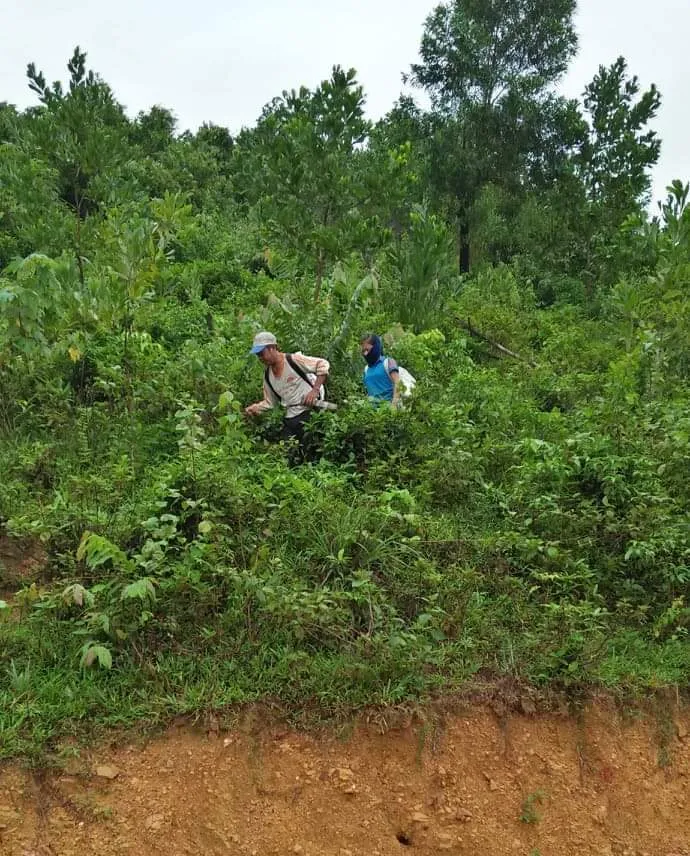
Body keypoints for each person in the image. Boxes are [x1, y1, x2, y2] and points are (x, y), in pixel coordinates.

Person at [244, 331, 331, 460]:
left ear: (272, 348)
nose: (260, 358)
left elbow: (322, 364)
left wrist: (315, 391)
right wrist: (255, 408)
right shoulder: (268, 376)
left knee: (312, 454)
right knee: (288, 455)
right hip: (290, 417)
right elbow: (270, 402)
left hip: (309, 412)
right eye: (258, 355)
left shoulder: (293, 360)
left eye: (262, 353)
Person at [360, 333, 401, 408]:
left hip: (388, 410)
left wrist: (393, 406)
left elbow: (398, 383)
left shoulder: (388, 362)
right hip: (373, 414)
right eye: (363, 351)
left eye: (367, 350)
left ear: (375, 347)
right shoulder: (366, 369)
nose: (365, 354)